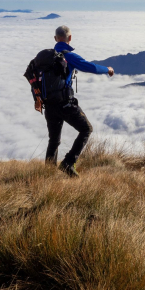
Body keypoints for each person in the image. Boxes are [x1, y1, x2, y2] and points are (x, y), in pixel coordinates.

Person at [38, 25, 114, 177]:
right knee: (86, 129)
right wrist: (108, 69)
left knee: (54, 140)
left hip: (49, 105)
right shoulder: (68, 56)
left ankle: (47, 175)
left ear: (55, 39)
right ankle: (68, 163)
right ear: (70, 38)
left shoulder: (45, 57)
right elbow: (89, 67)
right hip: (65, 104)